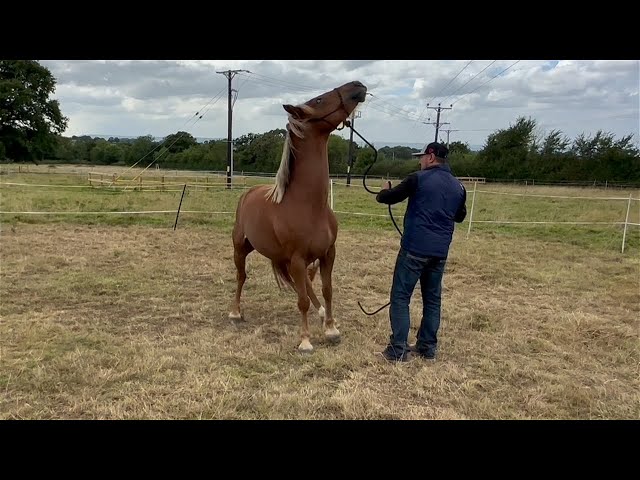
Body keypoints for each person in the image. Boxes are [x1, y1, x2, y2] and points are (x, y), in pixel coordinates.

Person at [375, 141, 467, 362]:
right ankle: (427, 347)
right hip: (440, 253)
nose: (420, 160)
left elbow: (387, 198)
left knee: (400, 297)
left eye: (422, 157)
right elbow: (460, 216)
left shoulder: (418, 178)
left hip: (414, 249)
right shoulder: (459, 187)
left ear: (431, 157)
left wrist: (384, 191)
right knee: (432, 299)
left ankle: (398, 349)